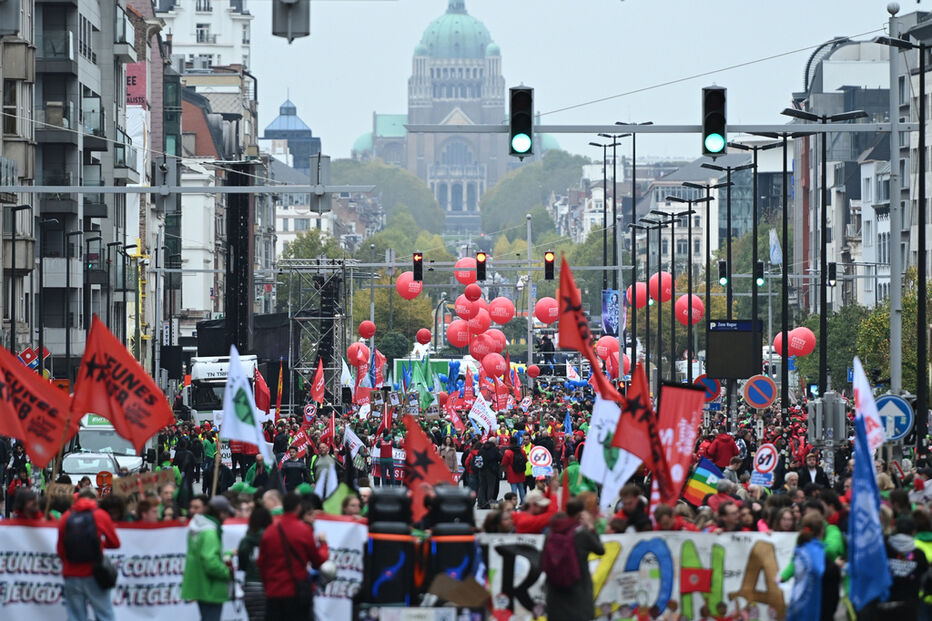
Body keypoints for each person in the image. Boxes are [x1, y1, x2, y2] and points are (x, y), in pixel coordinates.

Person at [258, 491, 329, 620]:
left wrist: (268, 585)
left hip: (274, 592)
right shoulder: (303, 530)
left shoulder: (269, 531)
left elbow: (261, 563)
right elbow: (317, 561)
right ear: (298, 508)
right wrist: (323, 544)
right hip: (296, 592)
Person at [57, 488, 121, 621]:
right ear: (95, 500)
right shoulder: (100, 515)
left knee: (76, 617)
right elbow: (115, 543)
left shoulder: (65, 517)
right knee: (104, 615)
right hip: (95, 573)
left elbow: (61, 550)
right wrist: (99, 545)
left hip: (72, 574)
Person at [543, 497, 605, 621]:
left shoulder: (551, 533)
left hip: (555, 589)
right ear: (581, 513)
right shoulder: (582, 533)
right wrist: (591, 527)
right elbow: (600, 550)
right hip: (578, 587)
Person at [180, 496, 234, 621]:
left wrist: (228, 553)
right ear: (221, 513)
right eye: (226, 514)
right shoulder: (210, 532)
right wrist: (226, 572)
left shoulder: (200, 529)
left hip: (203, 587)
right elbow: (210, 561)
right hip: (211, 588)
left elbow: (204, 554)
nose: (227, 518)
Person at [238, 505, 272, 621]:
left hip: (251, 586)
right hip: (268, 585)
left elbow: (242, 562)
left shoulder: (246, 539)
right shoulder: (272, 537)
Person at [476, 440, 501, 510]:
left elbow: (477, 460)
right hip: (491, 471)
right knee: (491, 487)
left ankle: (480, 503)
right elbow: (500, 458)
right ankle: (489, 502)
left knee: (482, 487)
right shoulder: (494, 450)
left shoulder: (481, 450)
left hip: (481, 470)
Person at [502, 439, 527, 504]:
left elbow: (504, 462)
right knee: (521, 488)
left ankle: (514, 503)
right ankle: (523, 502)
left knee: (514, 488)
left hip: (512, 471)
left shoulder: (508, 452)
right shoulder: (522, 450)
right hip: (521, 471)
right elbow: (526, 459)